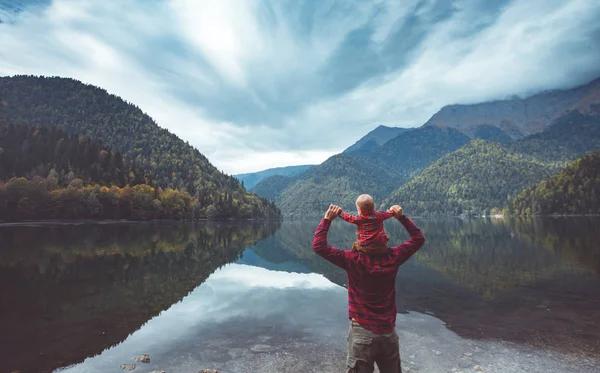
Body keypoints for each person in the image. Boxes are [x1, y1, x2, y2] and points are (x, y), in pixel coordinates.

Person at [312, 204, 425, 373]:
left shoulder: (352, 259)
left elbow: (319, 246)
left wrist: (327, 220)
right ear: (383, 237)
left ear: (359, 236)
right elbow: (418, 239)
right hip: (388, 333)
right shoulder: (394, 257)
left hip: (362, 332)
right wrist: (401, 217)